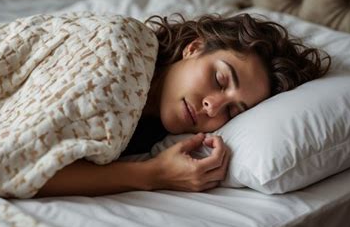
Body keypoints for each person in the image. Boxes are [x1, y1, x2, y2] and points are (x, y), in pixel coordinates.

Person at [35, 13, 330, 197]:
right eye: (220, 78)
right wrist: (155, 174)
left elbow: (43, 169)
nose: (213, 107)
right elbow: (28, 164)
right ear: (194, 47)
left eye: (232, 110)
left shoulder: (149, 132)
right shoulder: (122, 48)